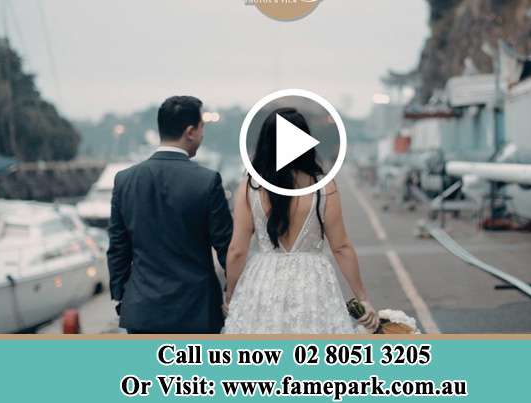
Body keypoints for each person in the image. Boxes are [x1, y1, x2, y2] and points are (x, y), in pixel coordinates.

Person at [222, 107, 378, 333]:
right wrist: (362, 298)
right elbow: (341, 247)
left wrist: (230, 294)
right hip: (313, 283)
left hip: (264, 280)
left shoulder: (249, 186)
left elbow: (237, 249)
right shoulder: (325, 186)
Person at [107, 96, 233, 333]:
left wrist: (121, 297)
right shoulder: (207, 181)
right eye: (202, 127)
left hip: (142, 310)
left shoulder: (124, 180)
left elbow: (118, 248)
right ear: (190, 132)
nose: (203, 135)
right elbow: (226, 246)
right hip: (196, 311)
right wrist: (234, 290)